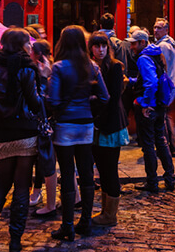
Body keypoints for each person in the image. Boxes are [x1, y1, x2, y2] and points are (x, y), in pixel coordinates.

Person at [0, 28, 43, 252]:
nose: (31, 46)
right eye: (28, 43)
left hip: (2, 132)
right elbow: (34, 102)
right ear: (21, 45)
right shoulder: (27, 67)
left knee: (1, 186)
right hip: (25, 131)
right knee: (22, 186)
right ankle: (15, 241)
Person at [48, 26, 109, 241]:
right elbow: (104, 97)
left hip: (65, 125)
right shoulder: (91, 66)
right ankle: (85, 221)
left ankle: (67, 226)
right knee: (86, 172)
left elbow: (54, 100)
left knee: (67, 174)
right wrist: (87, 104)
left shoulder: (58, 67)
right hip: (86, 125)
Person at [127, 29, 175, 193]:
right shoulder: (156, 53)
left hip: (149, 108)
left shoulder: (143, 58)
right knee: (161, 142)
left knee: (148, 145)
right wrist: (132, 80)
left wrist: (145, 103)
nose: (132, 47)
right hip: (160, 106)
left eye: (134, 43)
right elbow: (154, 77)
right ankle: (170, 180)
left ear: (142, 42)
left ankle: (152, 182)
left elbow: (151, 82)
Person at [88, 32, 128, 227]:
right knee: (102, 170)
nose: (101, 49)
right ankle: (105, 211)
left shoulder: (115, 66)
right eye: (96, 46)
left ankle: (110, 215)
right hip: (96, 125)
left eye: (104, 46)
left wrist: (100, 121)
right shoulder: (91, 67)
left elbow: (113, 99)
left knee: (110, 170)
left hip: (110, 125)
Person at [29, 39, 58, 218]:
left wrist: (42, 78)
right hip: (50, 122)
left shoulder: (46, 71)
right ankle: (74, 198)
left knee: (48, 164)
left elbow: (44, 100)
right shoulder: (50, 68)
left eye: (32, 52)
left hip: (47, 123)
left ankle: (51, 204)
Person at [153, 18, 175, 157]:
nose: (156, 30)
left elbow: (162, 68)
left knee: (163, 117)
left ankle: (169, 146)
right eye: (155, 27)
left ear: (166, 30)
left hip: (165, 86)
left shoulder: (163, 46)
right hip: (169, 85)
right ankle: (171, 146)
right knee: (166, 115)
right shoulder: (168, 44)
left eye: (159, 28)